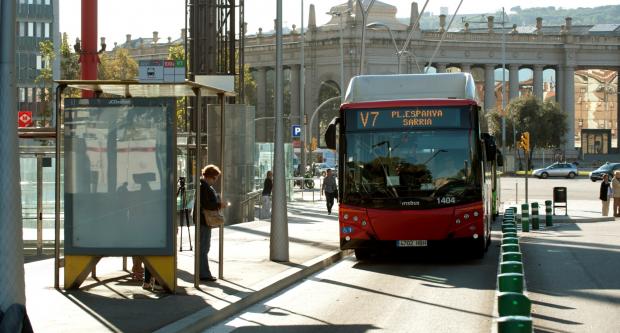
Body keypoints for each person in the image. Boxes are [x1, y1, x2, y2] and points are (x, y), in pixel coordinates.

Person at [196, 164, 227, 282]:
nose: (215, 180)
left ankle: (204, 272)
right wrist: (219, 205)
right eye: (215, 178)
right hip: (204, 220)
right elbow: (206, 204)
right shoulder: (204, 187)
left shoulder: (204, 186)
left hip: (203, 220)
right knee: (204, 247)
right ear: (210, 176)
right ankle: (204, 274)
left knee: (204, 247)